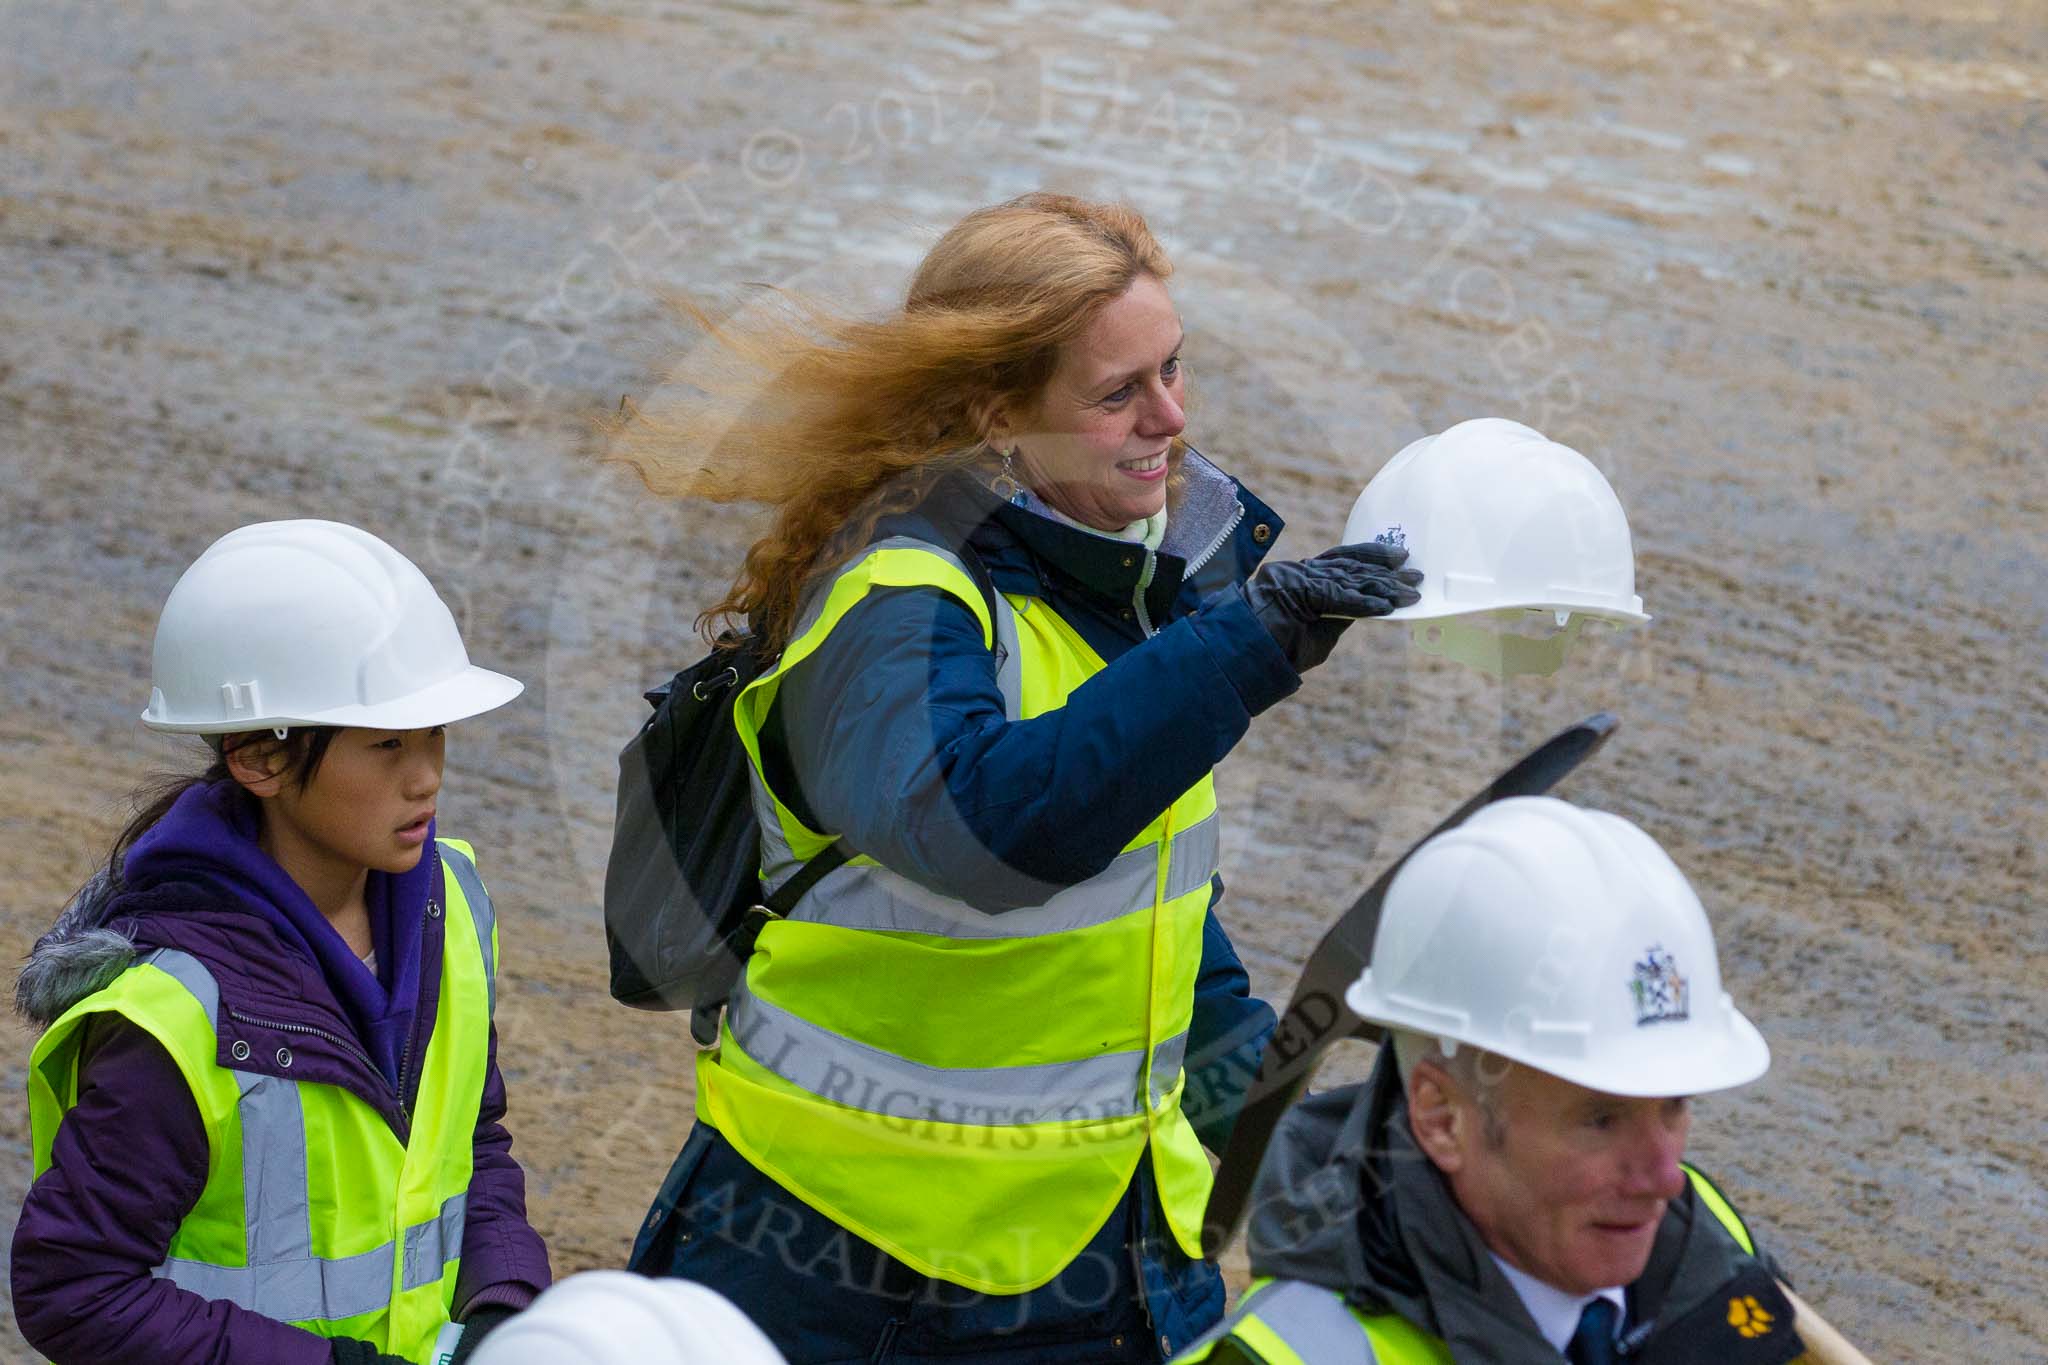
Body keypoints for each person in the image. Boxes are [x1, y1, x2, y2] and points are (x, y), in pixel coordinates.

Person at [614, 191, 1423, 1362]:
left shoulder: (1123, 586)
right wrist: (1248, 641)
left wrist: (1279, 1108)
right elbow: (984, 833)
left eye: (1173, 370)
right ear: (997, 413)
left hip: (1101, 1257)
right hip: (838, 1267)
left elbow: (1147, 922)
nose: (1170, 418)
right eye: (1118, 393)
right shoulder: (891, 602)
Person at [13, 520, 552, 1364]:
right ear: (259, 759)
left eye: (434, 733)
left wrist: (505, 1301)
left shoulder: (453, 903)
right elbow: (75, 1286)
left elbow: (471, 1148)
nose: (428, 775)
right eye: (386, 745)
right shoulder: (173, 1014)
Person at [1172, 796, 1808, 1364]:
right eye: (1601, 1119)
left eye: (1674, 1106)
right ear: (1442, 1118)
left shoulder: (1704, 1238)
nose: (1665, 1179)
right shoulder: (1303, 1355)